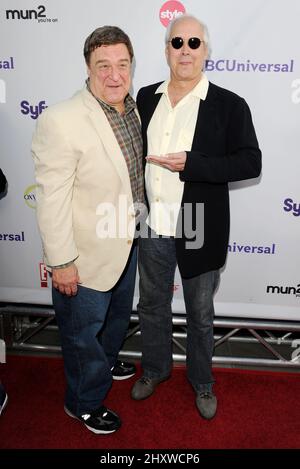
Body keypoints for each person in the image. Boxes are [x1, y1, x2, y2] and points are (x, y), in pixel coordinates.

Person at [131, 14, 261, 420]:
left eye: (193, 43)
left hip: (199, 223)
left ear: (206, 51)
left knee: (200, 313)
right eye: (176, 43)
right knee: (152, 304)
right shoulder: (146, 97)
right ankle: (154, 369)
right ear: (166, 49)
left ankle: (203, 381)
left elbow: (250, 162)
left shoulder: (228, 104)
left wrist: (193, 163)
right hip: (151, 221)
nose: (184, 51)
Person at [32, 26, 144, 434]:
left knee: (114, 321)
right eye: (103, 67)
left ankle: (109, 358)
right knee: (83, 336)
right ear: (87, 67)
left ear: (132, 65)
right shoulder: (61, 120)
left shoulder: (132, 110)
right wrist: (61, 261)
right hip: (82, 255)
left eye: (122, 65)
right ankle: (83, 402)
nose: (114, 75)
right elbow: (52, 199)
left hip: (127, 240)